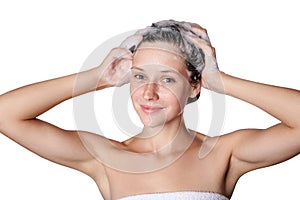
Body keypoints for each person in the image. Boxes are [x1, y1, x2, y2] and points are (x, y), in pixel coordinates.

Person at [0, 19, 299, 200]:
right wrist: (94, 78)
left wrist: (223, 82)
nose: (149, 92)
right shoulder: (107, 157)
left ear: (195, 86)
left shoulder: (223, 153)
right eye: (140, 76)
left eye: (167, 79)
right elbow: (5, 114)